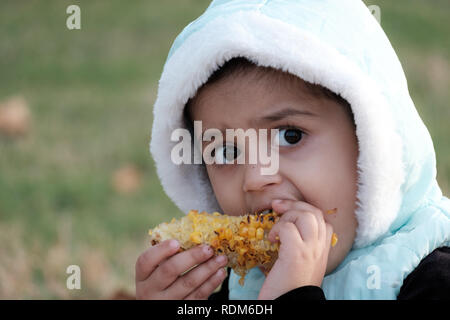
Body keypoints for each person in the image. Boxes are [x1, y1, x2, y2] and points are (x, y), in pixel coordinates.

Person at [136, 0, 450, 300]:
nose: (256, 178)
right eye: (226, 152)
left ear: (370, 143)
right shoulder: (238, 286)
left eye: (290, 136)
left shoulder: (433, 278)